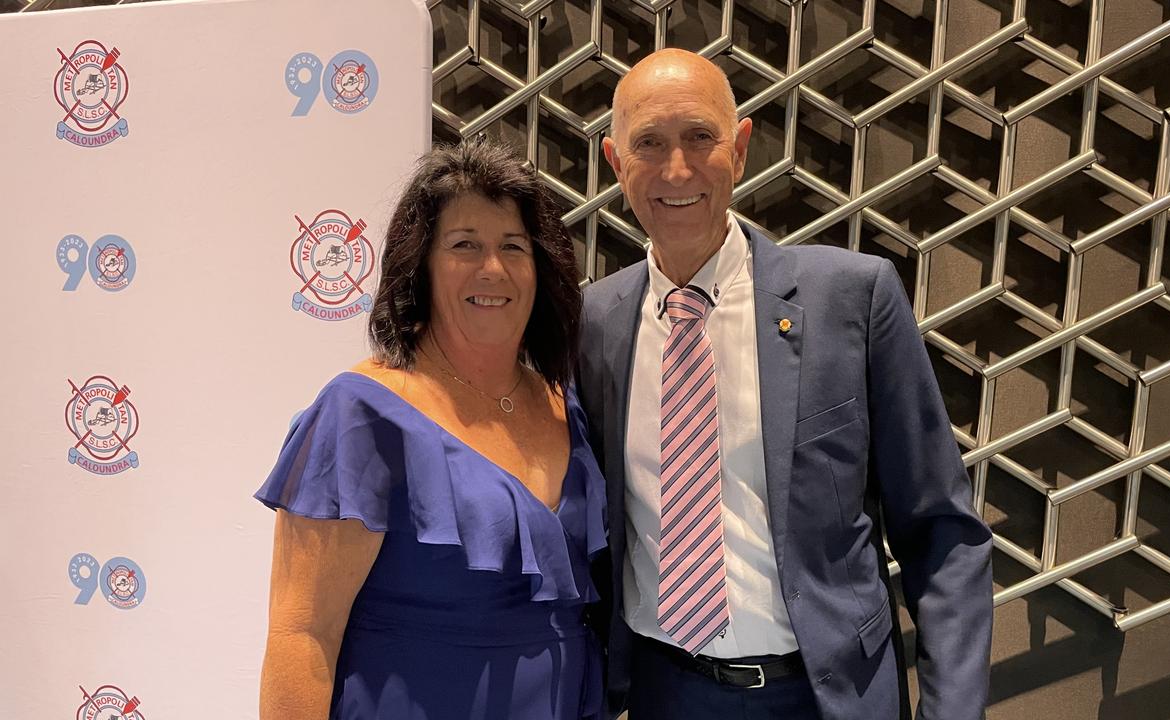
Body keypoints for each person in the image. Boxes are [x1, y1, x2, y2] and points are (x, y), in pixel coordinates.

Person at [576, 49, 993, 720]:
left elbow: (939, 531)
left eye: (699, 138)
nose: (676, 168)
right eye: (649, 143)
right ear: (616, 163)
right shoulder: (592, 324)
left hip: (827, 698)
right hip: (665, 694)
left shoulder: (851, 299)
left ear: (739, 149)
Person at [256, 138, 607, 719]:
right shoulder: (360, 413)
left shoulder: (564, 404)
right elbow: (301, 634)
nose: (492, 268)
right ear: (420, 263)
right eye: (464, 245)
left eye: (513, 246)